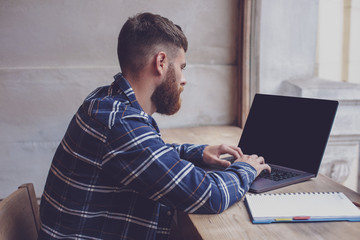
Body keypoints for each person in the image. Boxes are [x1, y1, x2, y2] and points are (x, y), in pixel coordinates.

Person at [38, 12, 270, 240]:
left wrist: (199, 152)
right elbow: (210, 195)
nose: (183, 80)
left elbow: (149, 153)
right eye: (182, 67)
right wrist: (246, 168)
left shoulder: (107, 101)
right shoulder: (120, 124)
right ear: (160, 62)